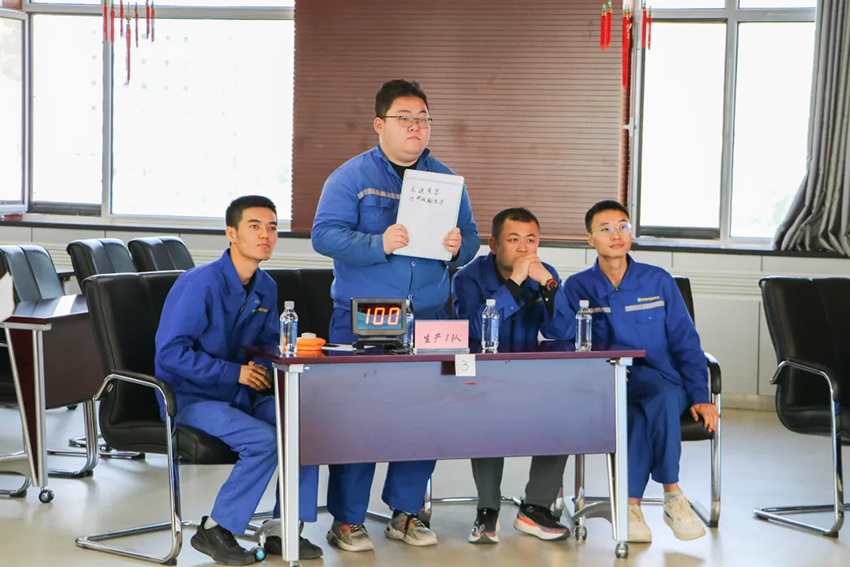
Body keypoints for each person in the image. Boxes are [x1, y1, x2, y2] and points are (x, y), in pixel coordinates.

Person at [312, 79, 479, 551]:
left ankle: (406, 513)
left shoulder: (447, 181)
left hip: (431, 317)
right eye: (404, 118)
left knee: (427, 415)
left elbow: (471, 238)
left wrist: (458, 247)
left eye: (423, 119)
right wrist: (377, 243)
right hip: (367, 317)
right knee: (359, 418)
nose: (415, 127)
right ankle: (347, 520)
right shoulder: (351, 177)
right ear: (379, 124)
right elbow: (324, 236)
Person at [155, 196, 321, 565]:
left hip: (240, 394)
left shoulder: (266, 286)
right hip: (191, 398)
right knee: (265, 441)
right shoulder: (199, 284)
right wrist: (236, 373)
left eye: (272, 228)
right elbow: (171, 354)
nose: (266, 235)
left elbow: (264, 341)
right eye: (254, 226)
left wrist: (272, 357)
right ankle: (215, 529)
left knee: (305, 428)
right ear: (231, 233)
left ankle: (283, 528)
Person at [563, 199, 719, 544]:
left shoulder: (657, 280)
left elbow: (686, 343)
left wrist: (700, 396)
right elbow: (568, 342)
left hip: (665, 381)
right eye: (606, 229)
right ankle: (667, 496)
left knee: (652, 404)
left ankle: (640, 502)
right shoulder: (577, 287)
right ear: (590, 238)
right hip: (612, 384)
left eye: (623, 226)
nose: (616, 234)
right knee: (638, 412)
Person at [452, 207, 573, 544]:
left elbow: (562, 332)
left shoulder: (545, 273)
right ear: (494, 245)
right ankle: (487, 510)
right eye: (514, 239)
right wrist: (514, 283)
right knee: (488, 416)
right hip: (481, 376)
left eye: (531, 240)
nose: (523, 248)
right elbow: (474, 330)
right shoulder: (467, 278)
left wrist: (548, 285)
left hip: (529, 375)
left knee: (565, 413)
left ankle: (536, 508)